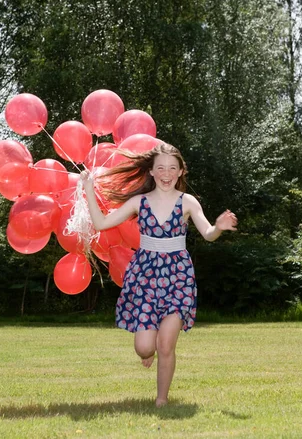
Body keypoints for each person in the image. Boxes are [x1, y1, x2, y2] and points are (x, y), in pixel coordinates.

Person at [80, 143, 237, 407]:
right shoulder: (139, 202)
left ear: (180, 171)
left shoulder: (188, 201)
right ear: (151, 172)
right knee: (145, 347)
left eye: (172, 168)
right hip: (145, 276)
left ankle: (161, 400)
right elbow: (101, 223)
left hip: (178, 278)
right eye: (161, 168)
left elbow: (208, 234)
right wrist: (88, 189)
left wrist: (218, 227)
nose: (167, 173)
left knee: (166, 345)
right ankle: (146, 352)